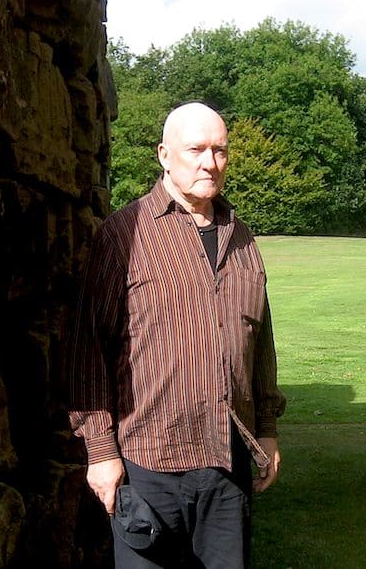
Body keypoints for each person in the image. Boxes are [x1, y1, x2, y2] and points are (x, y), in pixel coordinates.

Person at [66, 102, 286, 568]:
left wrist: (266, 431)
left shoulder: (242, 239)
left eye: (220, 150)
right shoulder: (122, 234)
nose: (211, 162)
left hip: (227, 465)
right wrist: (101, 453)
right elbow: (89, 349)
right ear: (165, 155)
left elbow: (259, 346)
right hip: (149, 466)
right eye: (197, 149)